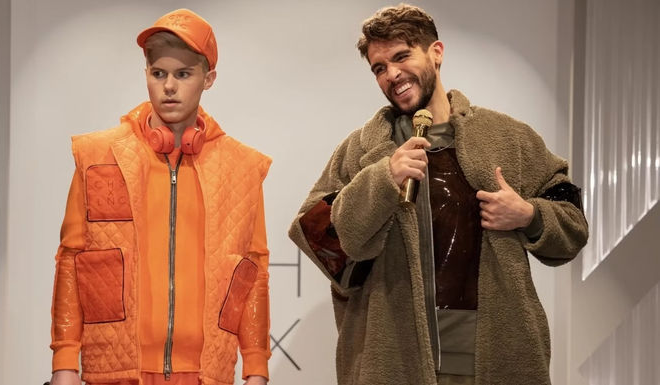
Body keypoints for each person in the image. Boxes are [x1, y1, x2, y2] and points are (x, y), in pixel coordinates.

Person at [288, 3, 588, 385]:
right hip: (395, 357)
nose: (392, 74)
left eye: (401, 57)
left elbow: (574, 224)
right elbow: (318, 242)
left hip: (493, 356)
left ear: (436, 52)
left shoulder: (508, 138)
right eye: (379, 68)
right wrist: (382, 178)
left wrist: (530, 216)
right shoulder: (362, 151)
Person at [49, 9, 271, 385]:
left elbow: (251, 272)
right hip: (115, 372)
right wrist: (65, 364)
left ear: (208, 79)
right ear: (147, 75)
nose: (169, 86)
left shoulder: (242, 167)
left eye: (183, 74)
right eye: (158, 74)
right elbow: (73, 260)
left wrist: (256, 370)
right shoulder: (99, 155)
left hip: (204, 375)